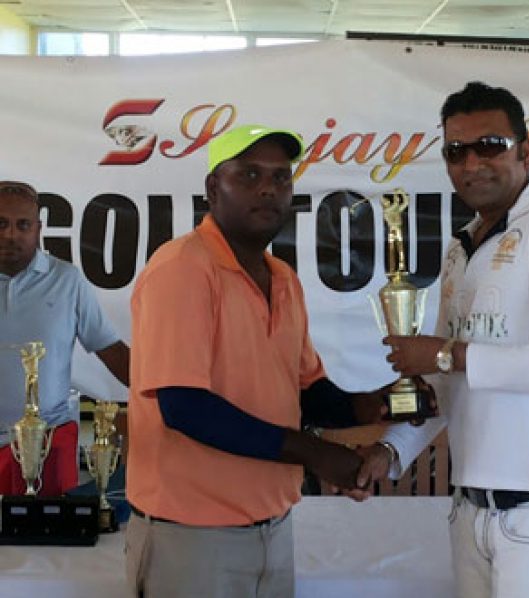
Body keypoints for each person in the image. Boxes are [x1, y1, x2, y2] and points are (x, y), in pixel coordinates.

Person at [352, 81, 529, 598]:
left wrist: (444, 354)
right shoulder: (461, 246)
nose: (472, 163)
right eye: (455, 151)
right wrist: (390, 451)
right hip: (470, 506)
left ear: (526, 151)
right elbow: (445, 385)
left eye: (490, 146)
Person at [125, 124, 387, 598]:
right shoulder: (181, 269)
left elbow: (304, 391)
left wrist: (369, 408)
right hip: (193, 541)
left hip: (273, 528)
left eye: (281, 177)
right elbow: (185, 407)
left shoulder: (283, 278)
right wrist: (315, 454)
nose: (268, 188)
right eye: (248, 175)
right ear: (212, 189)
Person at [0, 181, 129, 497]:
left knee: (50, 544)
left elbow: (111, 350)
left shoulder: (67, 280)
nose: (10, 234)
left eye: (23, 225)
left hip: (48, 444)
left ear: (39, 229)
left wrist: (165, 396)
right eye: (1, 223)